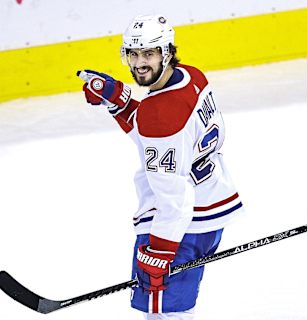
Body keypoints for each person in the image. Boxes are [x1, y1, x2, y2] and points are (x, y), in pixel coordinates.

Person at [78, 14, 243, 320]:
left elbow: (173, 195)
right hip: (210, 203)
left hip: (180, 226)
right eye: (134, 53)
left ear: (166, 52)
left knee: (165, 316)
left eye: (149, 54)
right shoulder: (192, 76)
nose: (140, 63)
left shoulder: (160, 115)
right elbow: (162, 133)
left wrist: (161, 249)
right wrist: (119, 101)